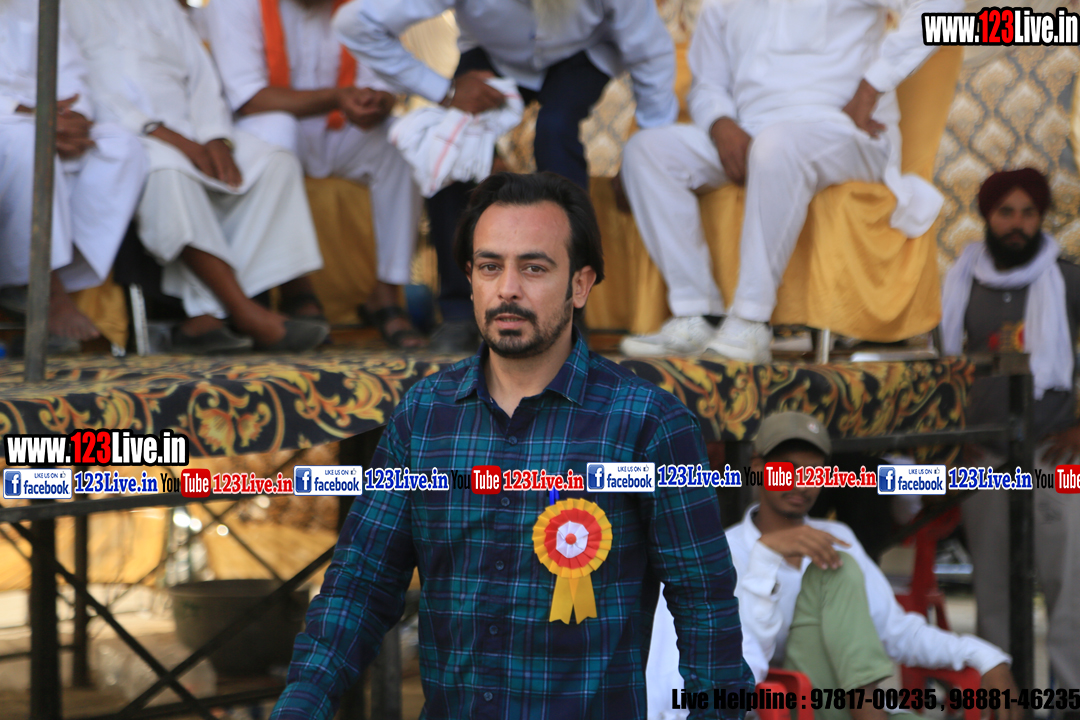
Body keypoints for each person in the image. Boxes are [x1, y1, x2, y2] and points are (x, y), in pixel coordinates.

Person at [270, 172, 753, 719]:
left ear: (580, 285)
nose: (507, 289)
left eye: (534, 267)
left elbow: (705, 604)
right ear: (470, 280)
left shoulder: (650, 424)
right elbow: (358, 589)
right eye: (489, 266)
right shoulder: (423, 417)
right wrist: (299, 708)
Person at [618, 0, 958, 361]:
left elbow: (943, 6)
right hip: (751, 130)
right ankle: (697, 312)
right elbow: (707, 84)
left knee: (775, 145)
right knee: (647, 151)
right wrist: (720, 123)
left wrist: (872, 86)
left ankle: (750, 320)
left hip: (843, 131)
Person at [333, 0, 679, 352]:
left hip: (583, 50)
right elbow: (355, 24)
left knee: (556, 133)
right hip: (493, 52)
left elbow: (649, 50)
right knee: (453, 144)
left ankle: (570, 314)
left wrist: (649, 152)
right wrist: (445, 92)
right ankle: (458, 313)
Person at [646, 412, 1020, 720]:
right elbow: (735, 660)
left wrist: (985, 656)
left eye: (814, 473)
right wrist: (765, 559)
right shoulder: (723, 551)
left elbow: (895, 630)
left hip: (846, 699)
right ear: (757, 467)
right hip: (782, 704)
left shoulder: (837, 536)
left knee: (837, 562)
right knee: (835, 569)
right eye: (787, 469)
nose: (801, 483)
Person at [66, 0, 329, 354]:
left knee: (274, 163)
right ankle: (242, 311)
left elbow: (203, 77)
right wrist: (168, 137)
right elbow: (82, 87)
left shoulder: (162, 6)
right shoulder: (66, 8)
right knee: (167, 172)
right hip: (121, 134)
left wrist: (214, 137)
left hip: (191, 130)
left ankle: (207, 316)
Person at [199, 0, 425, 348]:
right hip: (261, 130)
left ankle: (386, 293)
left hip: (339, 130)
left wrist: (377, 102)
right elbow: (249, 98)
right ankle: (296, 288)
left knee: (401, 140)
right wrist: (338, 97)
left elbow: (383, 82)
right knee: (280, 127)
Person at [941, 168, 1080, 699]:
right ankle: (1001, 703)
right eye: (1006, 212)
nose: (1017, 224)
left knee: (1070, 588)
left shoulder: (1066, 280)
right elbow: (944, 370)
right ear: (987, 216)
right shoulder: (961, 280)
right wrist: (956, 438)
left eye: (1028, 213)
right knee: (993, 590)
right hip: (985, 457)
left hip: (1054, 456)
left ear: (1041, 217)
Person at [0, 0, 146, 350]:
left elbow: (71, 72)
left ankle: (38, 275)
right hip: (13, 123)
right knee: (28, 142)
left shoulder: (36, 4)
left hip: (49, 120)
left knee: (122, 147)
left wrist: (74, 118)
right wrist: (34, 114)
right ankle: (45, 290)